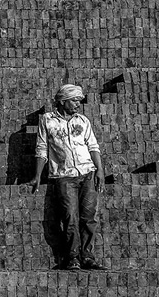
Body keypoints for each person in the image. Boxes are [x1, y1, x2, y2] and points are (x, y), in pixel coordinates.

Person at [31, 84, 108, 270]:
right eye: (74, 100)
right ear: (62, 101)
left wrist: (100, 171)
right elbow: (42, 148)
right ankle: (73, 257)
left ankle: (87, 256)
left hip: (87, 173)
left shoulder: (82, 121)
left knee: (89, 217)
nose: (77, 104)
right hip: (63, 175)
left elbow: (93, 146)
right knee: (69, 218)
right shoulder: (47, 120)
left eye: (79, 101)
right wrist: (37, 175)